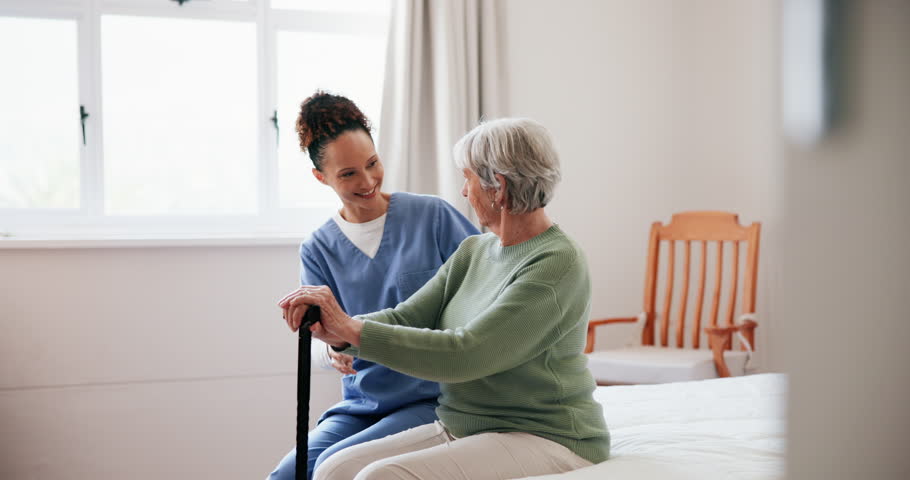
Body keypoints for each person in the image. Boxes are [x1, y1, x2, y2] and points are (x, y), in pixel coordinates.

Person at [279, 118, 610, 480]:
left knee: (379, 477)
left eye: (467, 179)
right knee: (333, 469)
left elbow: (467, 353)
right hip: (468, 422)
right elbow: (408, 315)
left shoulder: (555, 263)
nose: (465, 193)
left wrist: (353, 331)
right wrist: (339, 333)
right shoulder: (475, 251)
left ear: (496, 187)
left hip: (544, 433)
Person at [267, 91, 479, 480]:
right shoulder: (318, 247)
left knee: (331, 470)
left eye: (372, 164)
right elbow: (320, 341)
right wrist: (332, 350)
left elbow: (488, 287)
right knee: (286, 475)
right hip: (364, 402)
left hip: (435, 397)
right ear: (321, 177)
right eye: (348, 173)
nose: (367, 181)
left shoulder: (433, 217)